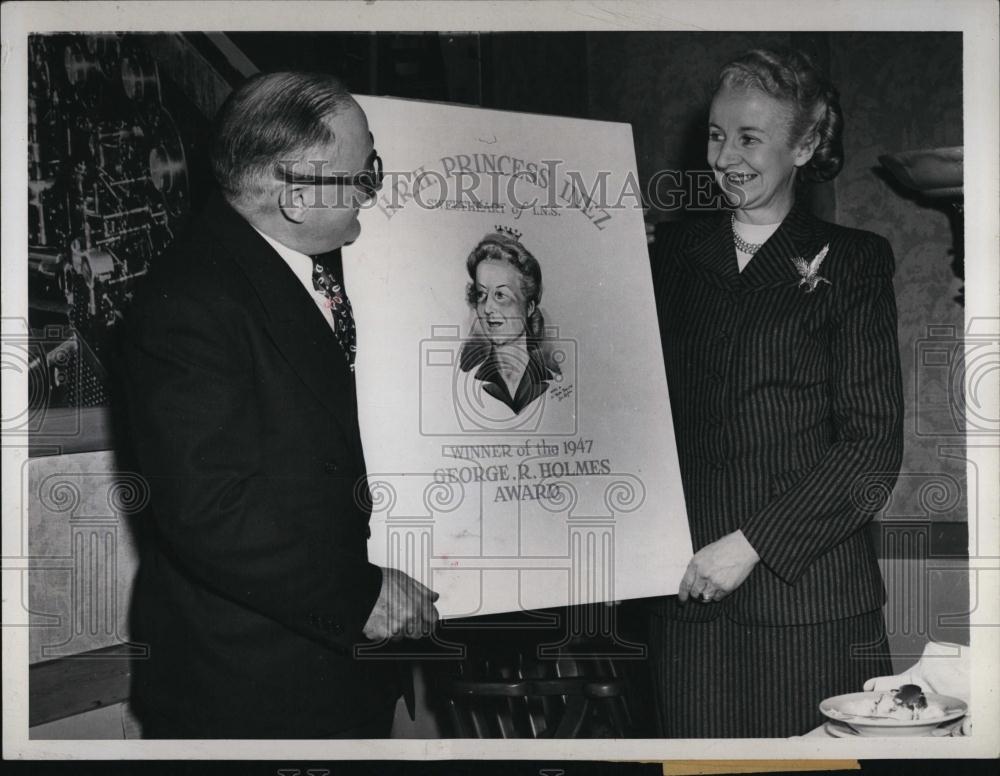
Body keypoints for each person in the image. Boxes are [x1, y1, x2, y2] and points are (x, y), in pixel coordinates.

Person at [122, 71, 439, 739]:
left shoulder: (308, 259)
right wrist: (361, 595)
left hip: (331, 672)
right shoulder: (190, 304)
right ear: (296, 198)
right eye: (364, 174)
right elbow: (209, 509)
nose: (374, 191)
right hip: (252, 689)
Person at [649, 48, 904, 737]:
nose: (725, 157)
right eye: (716, 135)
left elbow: (872, 450)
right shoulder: (668, 259)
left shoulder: (854, 261)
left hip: (812, 603)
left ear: (806, 146)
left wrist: (750, 545)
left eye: (750, 138)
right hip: (691, 603)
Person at [458, 228, 560, 417]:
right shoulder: (468, 384)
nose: (487, 308)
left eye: (500, 295)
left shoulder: (557, 386)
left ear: (529, 307)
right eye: (481, 294)